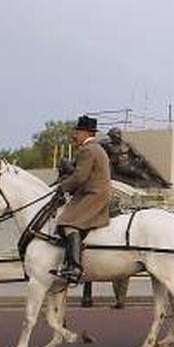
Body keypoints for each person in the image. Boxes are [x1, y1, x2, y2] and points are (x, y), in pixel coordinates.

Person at [52, 115, 112, 284]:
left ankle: (74, 267)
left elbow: (79, 177)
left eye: (76, 133)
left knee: (68, 222)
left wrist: (61, 187)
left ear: (85, 133)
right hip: (94, 192)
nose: (74, 137)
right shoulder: (96, 148)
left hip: (93, 194)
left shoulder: (88, 150)